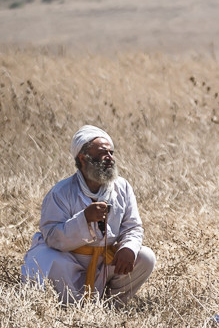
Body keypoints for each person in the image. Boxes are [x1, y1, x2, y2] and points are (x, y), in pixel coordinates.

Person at [21, 125, 156, 305]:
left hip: (106, 262)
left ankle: (111, 305)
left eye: (111, 152)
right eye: (103, 153)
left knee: (145, 257)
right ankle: (74, 307)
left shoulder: (122, 187)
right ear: (83, 158)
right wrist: (84, 219)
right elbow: (52, 236)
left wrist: (128, 248)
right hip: (70, 262)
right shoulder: (61, 192)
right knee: (47, 258)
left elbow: (133, 227)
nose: (110, 158)